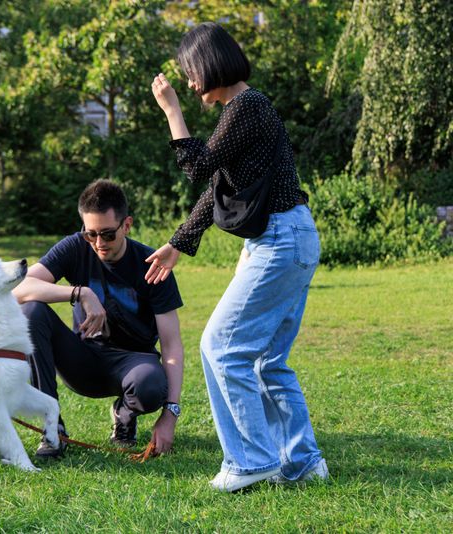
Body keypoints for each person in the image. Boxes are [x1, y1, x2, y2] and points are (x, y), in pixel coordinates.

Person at [145, 22, 327, 492]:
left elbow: (197, 167)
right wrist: (180, 241)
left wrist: (171, 111)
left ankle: (250, 461)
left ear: (209, 65)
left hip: (281, 240)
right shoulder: (243, 110)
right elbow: (218, 185)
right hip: (291, 237)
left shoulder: (248, 106)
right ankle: (302, 462)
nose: (187, 82)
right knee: (267, 360)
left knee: (221, 347)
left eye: (190, 72)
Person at [13, 179, 185, 457]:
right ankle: (52, 429)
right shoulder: (75, 247)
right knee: (31, 311)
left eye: (107, 234)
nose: (98, 243)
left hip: (134, 363)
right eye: (90, 234)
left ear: (126, 225)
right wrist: (79, 293)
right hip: (83, 360)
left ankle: (125, 413)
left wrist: (170, 414)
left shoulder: (152, 265)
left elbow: (172, 346)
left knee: (150, 386)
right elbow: (20, 288)